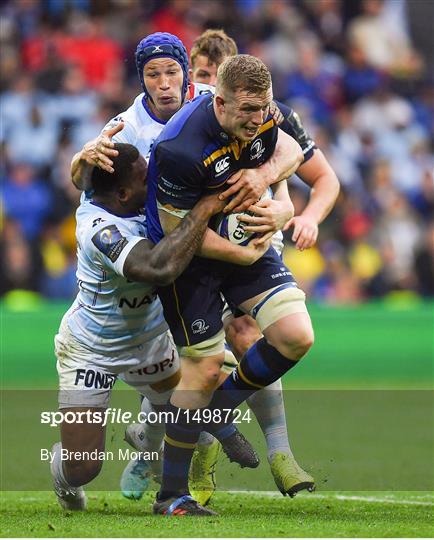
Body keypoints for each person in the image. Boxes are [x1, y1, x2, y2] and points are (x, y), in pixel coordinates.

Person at [70, 31, 302, 503]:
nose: (165, 81)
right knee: (85, 462)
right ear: (141, 81)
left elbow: (295, 152)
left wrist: (280, 198)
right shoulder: (129, 129)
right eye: (153, 73)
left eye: (172, 70)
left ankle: (244, 444)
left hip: (205, 249)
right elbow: (89, 180)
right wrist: (80, 158)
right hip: (163, 258)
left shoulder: (236, 106)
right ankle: (155, 463)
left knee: (246, 345)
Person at [125, 28, 325, 506]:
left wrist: (266, 176)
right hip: (188, 256)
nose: (259, 120)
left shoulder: (264, 116)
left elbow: (293, 151)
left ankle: (216, 411)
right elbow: (179, 234)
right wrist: (242, 254)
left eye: (264, 109)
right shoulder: (180, 148)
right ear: (219, 103)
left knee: (296, 335)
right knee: (204, 367)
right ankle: (171, 495)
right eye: (247, 111)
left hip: (241, 240)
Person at [51, 142, 231, 512]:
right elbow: (156, 269)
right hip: (90, 349)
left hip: (148, 337)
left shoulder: (137, 200)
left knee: (182, 407)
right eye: (146, 179)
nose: (156, 183)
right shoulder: (98, 228)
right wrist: (204, 209)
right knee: (83, 468)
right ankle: (62, 472)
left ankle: (149, 456)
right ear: (122, 193)